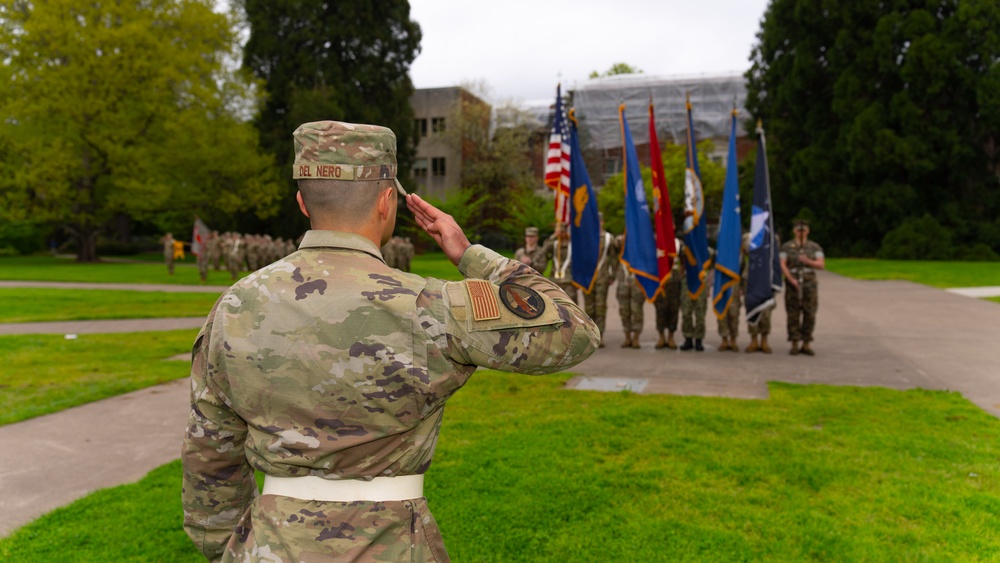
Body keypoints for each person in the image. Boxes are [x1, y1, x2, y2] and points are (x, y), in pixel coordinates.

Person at [181, 120, 600, 562]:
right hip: (393, 545)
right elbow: (573, 331)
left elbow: (210, 455)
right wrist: (470, 254)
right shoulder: (428, 304)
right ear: (386, 201)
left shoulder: (236, 304)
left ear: (302, 202)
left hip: (270, 545)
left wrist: (227, 548)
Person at [781, 219, 825, 355]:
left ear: (808, 231)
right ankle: (794, 342)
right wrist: (791, 279)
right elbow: (782, 264)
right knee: (793, 313)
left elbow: (821, 265)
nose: (801, 232)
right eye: (799, 230)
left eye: (804, 230)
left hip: (809, 283)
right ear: (794, 231)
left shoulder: (814, 247)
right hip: (793, 281)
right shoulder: (787, 247)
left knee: (809, 312)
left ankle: (806, 342)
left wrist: (807, 261)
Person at [583, 214, 616, 347]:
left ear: (602, 222)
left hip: (602, 277)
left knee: (600, 306)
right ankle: (590, 335)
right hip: (588, 277)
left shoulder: (609, 238)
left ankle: (600, 335)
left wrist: (612, 275)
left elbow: (613, 258)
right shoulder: (586, 237)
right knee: (588, 307)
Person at [613, 233, 644, 349]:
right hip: (623, 282)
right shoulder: (621, 242)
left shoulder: (642, 242)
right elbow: (615, 243)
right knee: (624, 310)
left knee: (637, 310)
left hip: (637, 282)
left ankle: (636, 336)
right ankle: (627, 336)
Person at [654, 238, 683, 350]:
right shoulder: (656, 242)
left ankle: (671, 337)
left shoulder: (678, 244)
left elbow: (683, 262)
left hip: (675, 281)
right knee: (660, 308)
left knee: (673, 309)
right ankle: (661, 336)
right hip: (660, 280)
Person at [679, 252, 710, 352]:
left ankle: (698, 340)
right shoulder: (685, 247)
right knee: (686, 312)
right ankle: (688, 338)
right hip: (687, 281)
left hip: (701, 281)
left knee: (700, 314)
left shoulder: (705, 248)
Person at [545, 222, 578, 304]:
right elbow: (544, 251)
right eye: (558, 232)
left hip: (569, 281)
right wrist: (553, 237)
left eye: (562, 232)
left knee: (571, 306)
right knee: (555, 306)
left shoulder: (573, 245)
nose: (560, 235)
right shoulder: (554, 244)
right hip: (554, 280)